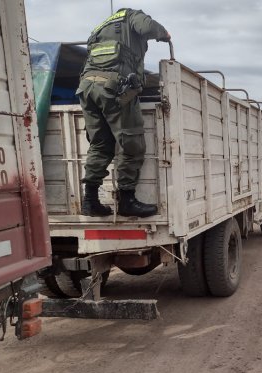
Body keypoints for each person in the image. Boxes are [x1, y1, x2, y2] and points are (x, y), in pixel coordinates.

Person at [77, 8, 170, 217]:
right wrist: (164, 33)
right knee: (131, 143)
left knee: (100, 144)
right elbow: (147, 27)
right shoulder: (131, 15)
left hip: (86, 88)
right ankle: (127, 200)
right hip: (114, 87)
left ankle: (90, 201)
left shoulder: (100, 27)